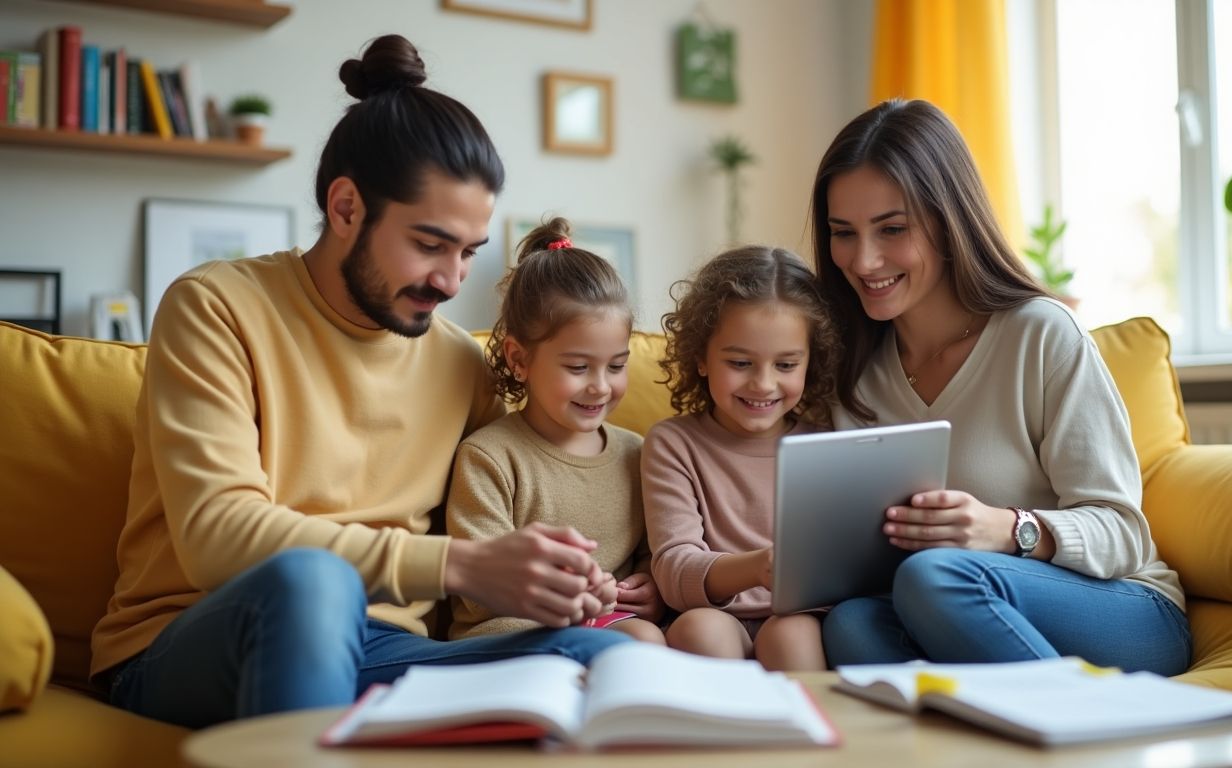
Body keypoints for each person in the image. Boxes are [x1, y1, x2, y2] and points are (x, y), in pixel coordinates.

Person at [89, 35, 628, 729]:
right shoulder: (216, 306)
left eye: (468, 252)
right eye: (429, 244)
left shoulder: (459, 362)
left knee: (602, 654)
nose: (451, 280)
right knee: (314, 583)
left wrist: (574, 579)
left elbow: (518, 485)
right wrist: (459, 565)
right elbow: (215, 536)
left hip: (382, 650)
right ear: (346, 208)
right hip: (194, 638)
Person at [811, 99, 1190, 674]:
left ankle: (1081, 721)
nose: (863, 260)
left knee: (933, 576)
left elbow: (1123, 534)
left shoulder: (1040, 334)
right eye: (843, 233)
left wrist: (1009, 529)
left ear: (948, 221)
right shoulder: (849, 370)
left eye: (892, 229)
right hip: (952, 614)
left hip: (1124, 610)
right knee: (851, 624)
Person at [446, 217, 666, 645]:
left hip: (609, 621)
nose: (600, 386)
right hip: (509, 632)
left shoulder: (637, 454)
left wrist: (649, 586)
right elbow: (478, 585)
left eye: (616, 366)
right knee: (639, 641)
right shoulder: (488, 457)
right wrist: (574, 594)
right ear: (519, 359)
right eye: (578, 367)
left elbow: (651, 554)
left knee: (656, 637)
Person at [642, 246, 840, 671]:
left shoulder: (827, 444)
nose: (763, 384)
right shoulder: (673, 443)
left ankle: (806, 716)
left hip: (799, 616)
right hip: (709, 614)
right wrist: (758, 568)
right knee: (701, 631)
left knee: (792, 635)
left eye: (786, 364)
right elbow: (674, 570)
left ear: (810, 362)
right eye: (740, 362)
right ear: (701, 357)